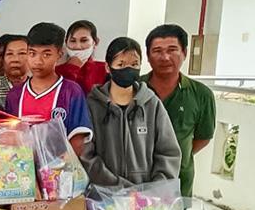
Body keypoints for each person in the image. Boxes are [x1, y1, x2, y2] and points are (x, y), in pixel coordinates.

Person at [82, 37, 181, 187]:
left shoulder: (152, 104)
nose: (128, 70)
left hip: (146, 196)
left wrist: (154, 190)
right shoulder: (92, 105)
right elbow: (86, 155)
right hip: (104, 195)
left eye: (134, 64)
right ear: (108, 67)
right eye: (121, 64)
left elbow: (168, 152)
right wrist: (119, 187)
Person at [142, 24, 216, 197]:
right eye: (157, 51)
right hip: (137, 183)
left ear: (185, 53)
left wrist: (175, 156)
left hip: (179, 182)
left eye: (172, 50)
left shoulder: (201, 94)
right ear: (148, 56)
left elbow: (203, 137)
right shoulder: (135, 89)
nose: (165, 57)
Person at [6, 23, 93, 154]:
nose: (38, 61)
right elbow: (10, 137)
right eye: (32, 53)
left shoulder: (71, 91)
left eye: (46, 55)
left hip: (61, 165)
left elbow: (77, 139)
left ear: (59, 54)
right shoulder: (15, 94)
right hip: (22, 164)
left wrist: (60, 164)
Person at [57, 20, 109, 95]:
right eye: (73, 41)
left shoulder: (105, 69)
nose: (78, 46)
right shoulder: (56, 71)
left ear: (95, 42)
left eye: (84, 41)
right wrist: (71, 69)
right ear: (66, 42)